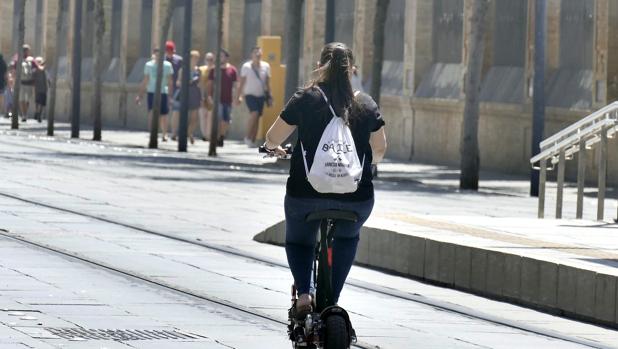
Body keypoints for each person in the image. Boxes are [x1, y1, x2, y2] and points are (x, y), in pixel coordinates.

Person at [263, 42, 387, 316]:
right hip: (356, 199)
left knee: (298, 240)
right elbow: (379, 150)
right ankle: (331, 299)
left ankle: (305, 294)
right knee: (347, 236)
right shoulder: (365, 104)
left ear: (320, 67)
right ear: (351, 70)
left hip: (305, 195)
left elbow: (273, 137)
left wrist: (273, 148)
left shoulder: (306, 98)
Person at [135, 48, 174, 142]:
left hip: (163, 92)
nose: (158, 56)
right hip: (151, 91)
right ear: (154, 54)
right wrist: (140, 95)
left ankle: (164, 134)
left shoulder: (167, 65)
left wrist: (170, 96)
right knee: (152, 113)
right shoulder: (149, 65)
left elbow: (170, 81)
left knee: (164, 114)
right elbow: (145, 80)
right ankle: (153, 133)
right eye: (156, 54)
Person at [237, 46, 271, 147]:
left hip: (261, 96)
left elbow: (268, 83)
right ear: (252, 55)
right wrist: (238, 96)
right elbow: (241, 83)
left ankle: (252, 139)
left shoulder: (266, 66)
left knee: (257, 118)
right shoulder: (246, 67)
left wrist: (270, 96)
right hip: (249, 95)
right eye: (256, 53)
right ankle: (247, 137)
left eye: (259, 53)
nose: (258, 55)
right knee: (254, 113)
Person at [207, 49, 238, 147]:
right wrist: (209, 96)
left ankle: (221, 136)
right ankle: (216, 138)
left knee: (226, 120)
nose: (220, 58)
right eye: (218, 56)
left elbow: (236, 85)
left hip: (228, 99)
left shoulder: (232, 70)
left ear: (226, 57)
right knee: (218, 118)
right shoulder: (214, 69)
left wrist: (237, 97)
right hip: (217, 99)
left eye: (222, 56)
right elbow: (210, 84)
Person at [175, 50, 202, 144]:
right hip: (186, 92)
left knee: (194, 117)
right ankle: (183, 134)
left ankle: (189, 133)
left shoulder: (198, 70)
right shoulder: (183, 69)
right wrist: (185, 83)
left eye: (197, 58)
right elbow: (178, 82)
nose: (196, 60)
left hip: (195, 93)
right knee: (184, 116)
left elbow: (200, 83)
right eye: (194, 58)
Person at [11, 45, 36, 122]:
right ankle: (24, 114)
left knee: (27, 99)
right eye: (26, 50)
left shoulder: (31, 60)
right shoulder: (17, 59)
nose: (27, 52)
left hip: (28, 82)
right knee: (22, 99)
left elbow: (35, 68)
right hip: (22, 82)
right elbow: (14, 70)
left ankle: (24, 113)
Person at [164, 41, 183, 141]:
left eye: (171, 51)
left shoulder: (179, 60)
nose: (169, 53)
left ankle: (174, 132)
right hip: (164, 88)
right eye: (168, 51)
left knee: (175, 111)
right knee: (165, 112)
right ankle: (164, 131)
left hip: (176, 89)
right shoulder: (162, 61)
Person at [198, 52, 215, 141]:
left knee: (210, 116)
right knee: (203, 115)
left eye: (211, 60)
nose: (209, 61)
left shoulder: (216, 69)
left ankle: (208, 135)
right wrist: (200, 96)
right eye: (207, 59)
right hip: (202, 94)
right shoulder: (201, 69)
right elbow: (200, 84)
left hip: (212, 95)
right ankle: (204, 134)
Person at [33, 57, 48, 123]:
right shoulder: (39, 69)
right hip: (40, 88)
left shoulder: (37, 69)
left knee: (39, 102)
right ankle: (38, 113)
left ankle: (38, 113)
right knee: (40, 102)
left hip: (41, 88)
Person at [0, 53, 6, 118]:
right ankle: (0, 110)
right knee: (1, 97)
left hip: (1, 82)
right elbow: (5, 74)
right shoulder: (3, 63)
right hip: (1, 83)